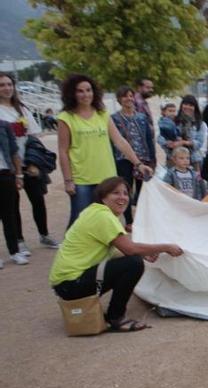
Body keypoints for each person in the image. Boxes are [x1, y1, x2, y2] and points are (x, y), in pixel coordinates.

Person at [50, 177, 184, 332]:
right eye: (115, 193)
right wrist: (165, 247)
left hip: (66, 284)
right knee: (133, 264)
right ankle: (116, 318)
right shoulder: (103, 216)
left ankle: (113, 315)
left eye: (125, 193)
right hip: (71, 284)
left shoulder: (96, 212)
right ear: (103, 197)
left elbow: (114, 249)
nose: (122, 197)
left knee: (132, 260)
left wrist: (144, 253)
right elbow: (129, 249)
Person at [57, 74, 151, 226]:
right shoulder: (66, 118)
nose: (85, 94)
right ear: (72, 93)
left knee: (107, 220)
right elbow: (63, 151)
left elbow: (120, 141)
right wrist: (68, 180)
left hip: (106, 178)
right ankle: (71, 249)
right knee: (80, 220)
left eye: (88, 90)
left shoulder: (102, 114)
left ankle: (104, 249)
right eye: (80, 91)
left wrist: (138, 164)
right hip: (82, 179)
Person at [0, 72, 60, 251]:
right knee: (12, 205)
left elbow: (33, 135)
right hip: (8, 166)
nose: (7, 88)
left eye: (9, 84)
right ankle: (19, 240)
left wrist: (33, 160)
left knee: (38, 199)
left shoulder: (22, 108)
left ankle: (44, 234)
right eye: (2, 85)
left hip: (28, 162)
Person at [111, 86, 156, 228]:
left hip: (143, 157)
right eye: (125, 96)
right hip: (123, 159)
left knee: (143, 190)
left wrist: (152, 158)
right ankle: (129, 221)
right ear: (119, 99)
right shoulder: (114, 119)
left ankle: (144, 218)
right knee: (125, 190)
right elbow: (113, 141)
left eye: (131, 96)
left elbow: (149, 138)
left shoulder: (142, 117)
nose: (128, 99)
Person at [0, 120, 28, 267]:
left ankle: (15, 251)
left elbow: (14, 151)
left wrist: (19, 175)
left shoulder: (4, 125)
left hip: (5, 173)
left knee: (9, 214)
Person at [176, 95, 208, 172]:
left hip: (194, 160)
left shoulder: (200, 124)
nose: (188, 107)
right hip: (175, 159)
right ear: (181, 105)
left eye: (191, 105)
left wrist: (184, 142)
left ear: (195, 107)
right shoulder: (175, 121)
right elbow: (163, 138)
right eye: (185, 104)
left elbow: (199, 143)